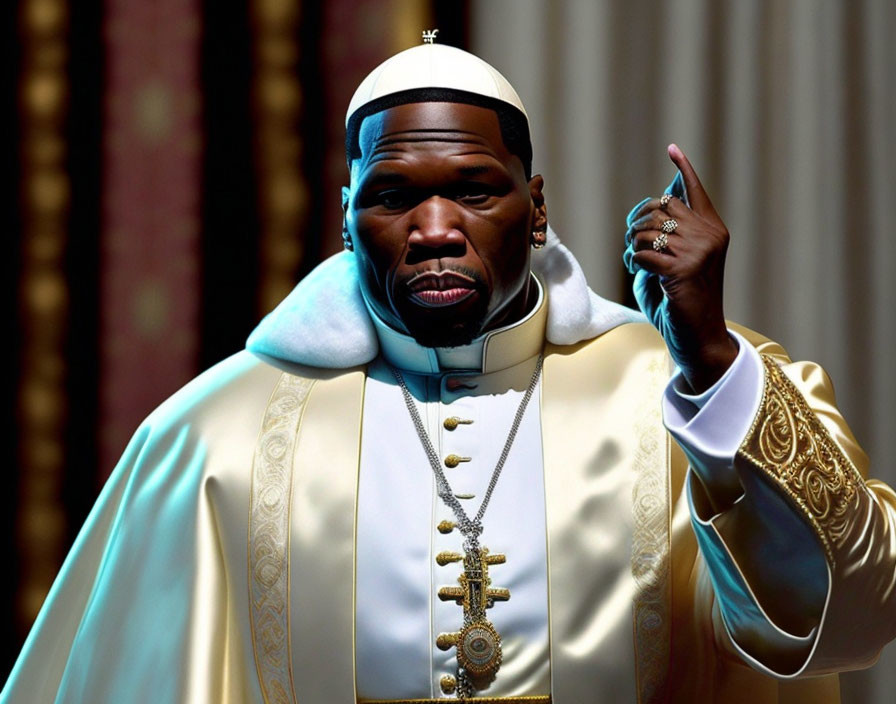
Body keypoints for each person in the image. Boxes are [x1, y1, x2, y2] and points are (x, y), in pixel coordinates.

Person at [4, 39, 896, 704]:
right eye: (394, 195)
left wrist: (707, 360)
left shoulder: (686, 397)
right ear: (348, 220)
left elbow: (856, 617)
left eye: (474, 189)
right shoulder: (212, 439)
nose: (435, 227)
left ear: (536, 207)